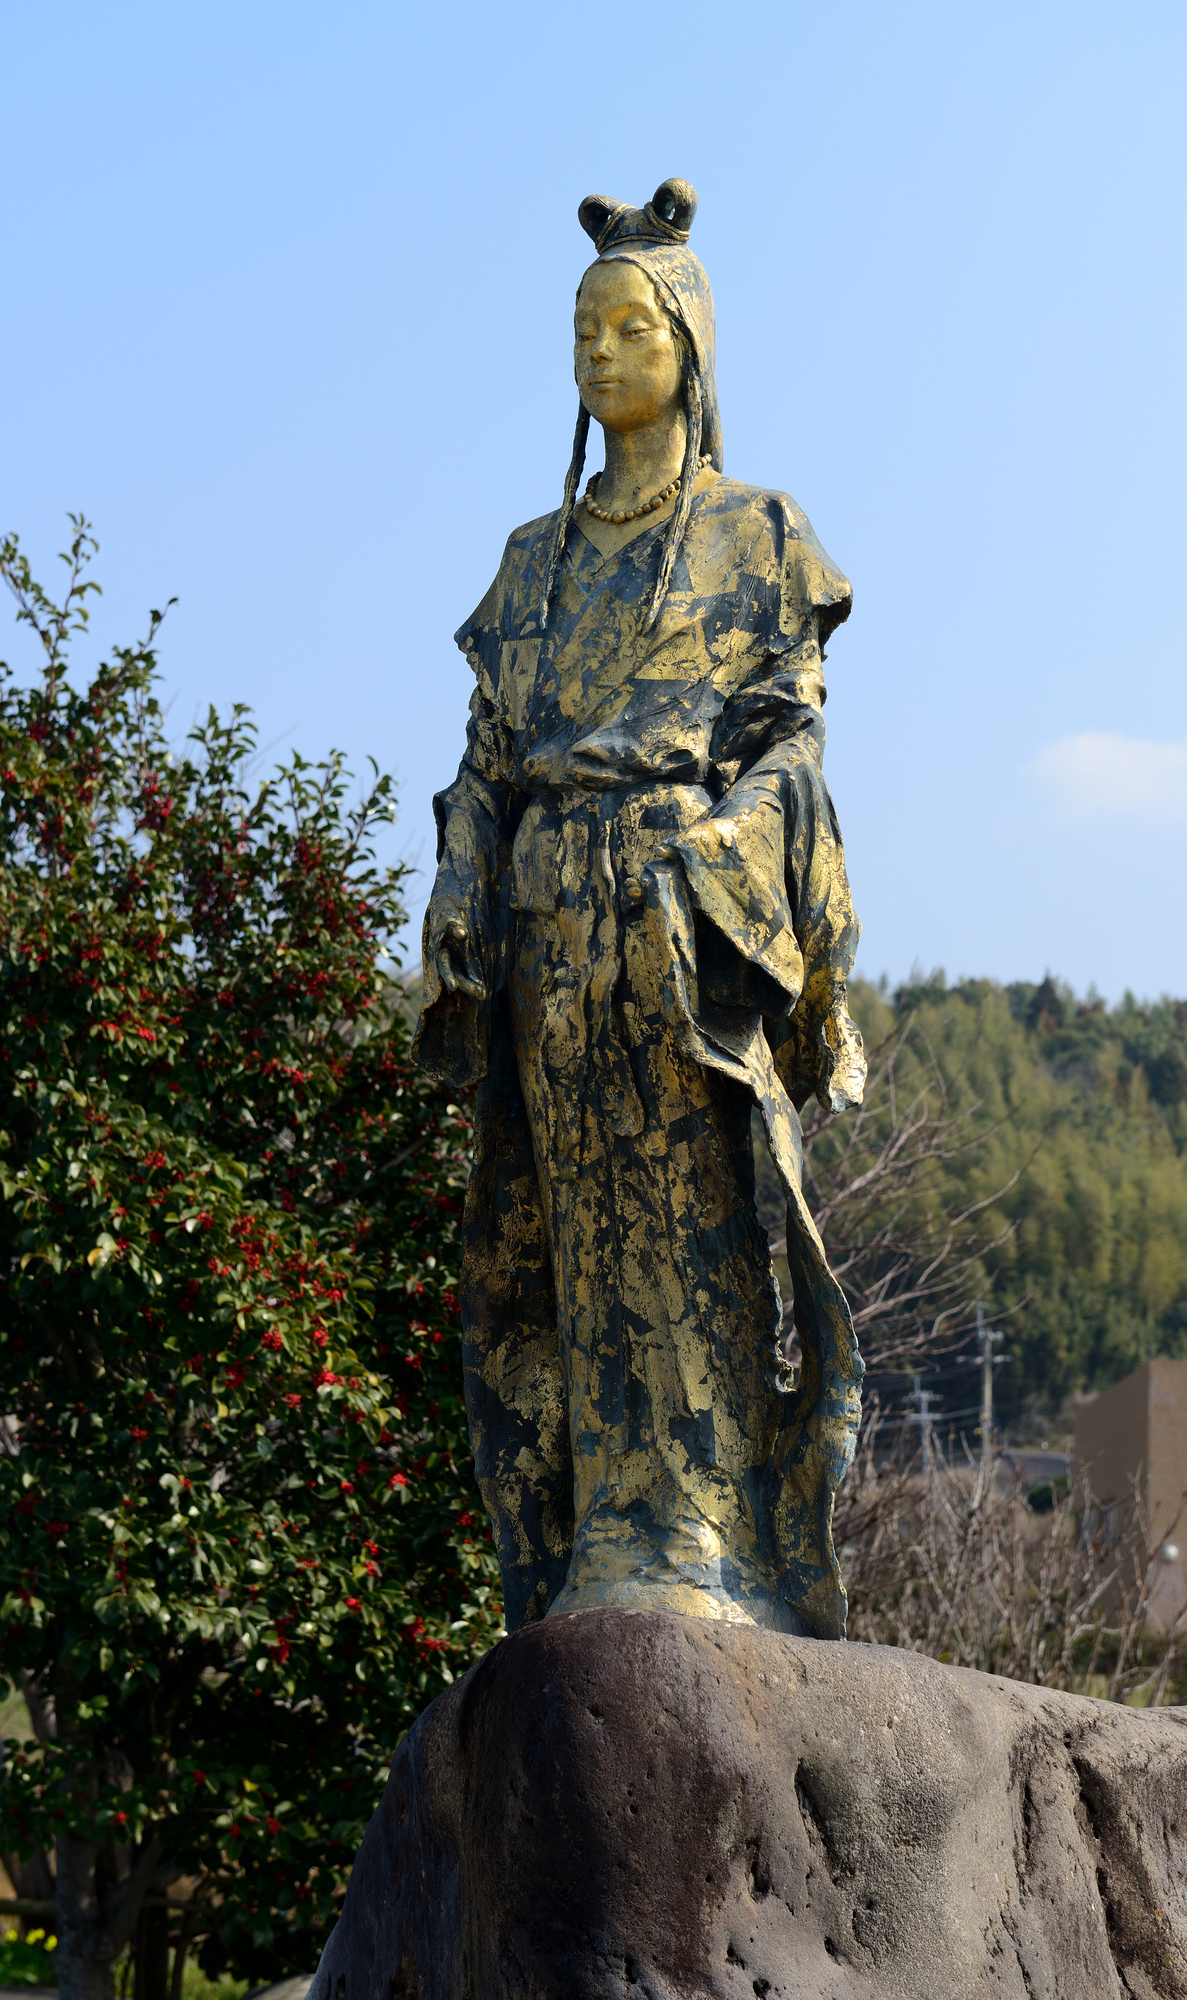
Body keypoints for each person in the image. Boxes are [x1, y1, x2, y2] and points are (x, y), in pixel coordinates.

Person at [415, 179, 866, 1641]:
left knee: (692, 1220)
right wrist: (459, 881)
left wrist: (723, 853)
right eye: (581, 330)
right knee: (568, 1227)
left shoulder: (758, 533)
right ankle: (600, 1521)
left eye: (630, 327)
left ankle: (706, 1529)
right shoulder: (527, 569)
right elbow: (482, 767)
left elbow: (788, 740)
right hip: (553, 926)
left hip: (679, 918)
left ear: (689, 348)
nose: (601, 354)